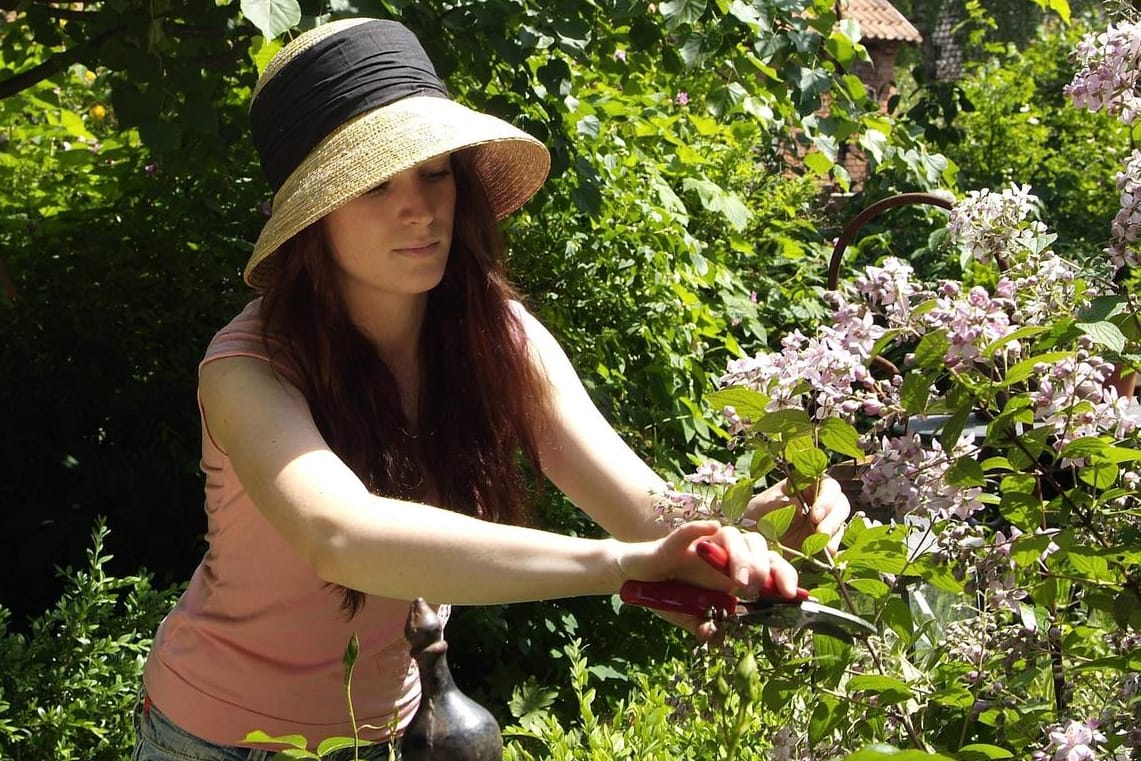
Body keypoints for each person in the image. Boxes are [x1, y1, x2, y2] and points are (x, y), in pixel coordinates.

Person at [132, 17, 851, 761]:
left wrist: (747, 532)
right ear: (312, 217)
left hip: (385, 735)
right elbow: (338, 535)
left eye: (434, 171)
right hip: (217, 739)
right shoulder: (246, 368)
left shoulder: (493, 336)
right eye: (374, 183)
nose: (419, 207)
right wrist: (615, 564)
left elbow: (645, 510)